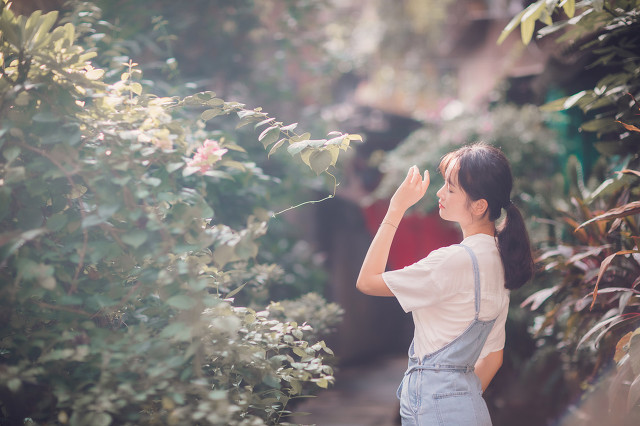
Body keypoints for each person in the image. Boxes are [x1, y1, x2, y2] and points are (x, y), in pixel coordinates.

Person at [356, 143, 534, 425]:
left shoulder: (453, 261)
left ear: (479, 205)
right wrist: (459, 398)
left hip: (436, 410)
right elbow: (493, 358)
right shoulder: (499, 261)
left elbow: (367, 281)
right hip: (468, 409)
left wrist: (396, 208)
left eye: (451, 189)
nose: (440, 193)